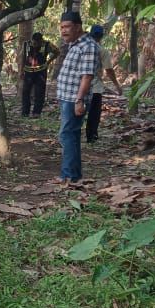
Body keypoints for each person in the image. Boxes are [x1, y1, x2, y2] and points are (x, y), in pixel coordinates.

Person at [54, 11, 100, 184]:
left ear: (78, 27)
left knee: (67, 134)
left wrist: (79, 100)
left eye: (67, 27)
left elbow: (87, 76)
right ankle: (72, 175)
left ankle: (69, 176)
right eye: (61, 28)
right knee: (70, 135)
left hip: (74, 99)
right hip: (67, 97)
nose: (64, 31)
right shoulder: (75, 45)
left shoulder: (88, 46)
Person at [86, 25, 120, 143]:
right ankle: (91, 136)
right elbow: (109, 70)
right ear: (101, 36)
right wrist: (117, 85)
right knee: (94, 113)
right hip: (95, 86)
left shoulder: (82, 48)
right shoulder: (102, 51)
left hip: (80, 86)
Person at [19, 32, 58, 117]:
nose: (35, 45)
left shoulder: (47, 45)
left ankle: (36, 113)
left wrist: (48, 62)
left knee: (39, 92)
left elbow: (57, 52)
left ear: (41, 41)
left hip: (41, 72)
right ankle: (25, 112)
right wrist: (21, 71)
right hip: (28, 72)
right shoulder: (26, 44)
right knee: (26, 92)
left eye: (37, 43)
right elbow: (22, 57)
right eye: (34, 43)